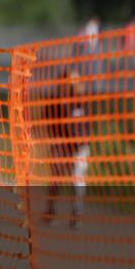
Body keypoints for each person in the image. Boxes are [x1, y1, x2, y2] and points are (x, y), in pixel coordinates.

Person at [40, 68, 90, 230]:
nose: (72, 85)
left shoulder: (81, 100)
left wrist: (85, 143)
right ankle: (51, 211)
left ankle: (77, 215)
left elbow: (88, 123)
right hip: (61, 144)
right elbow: (47, 120)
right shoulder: (55, 101)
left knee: (77, 179)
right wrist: (54, 141)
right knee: (56, 178)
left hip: (79, 146)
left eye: (74, 82)